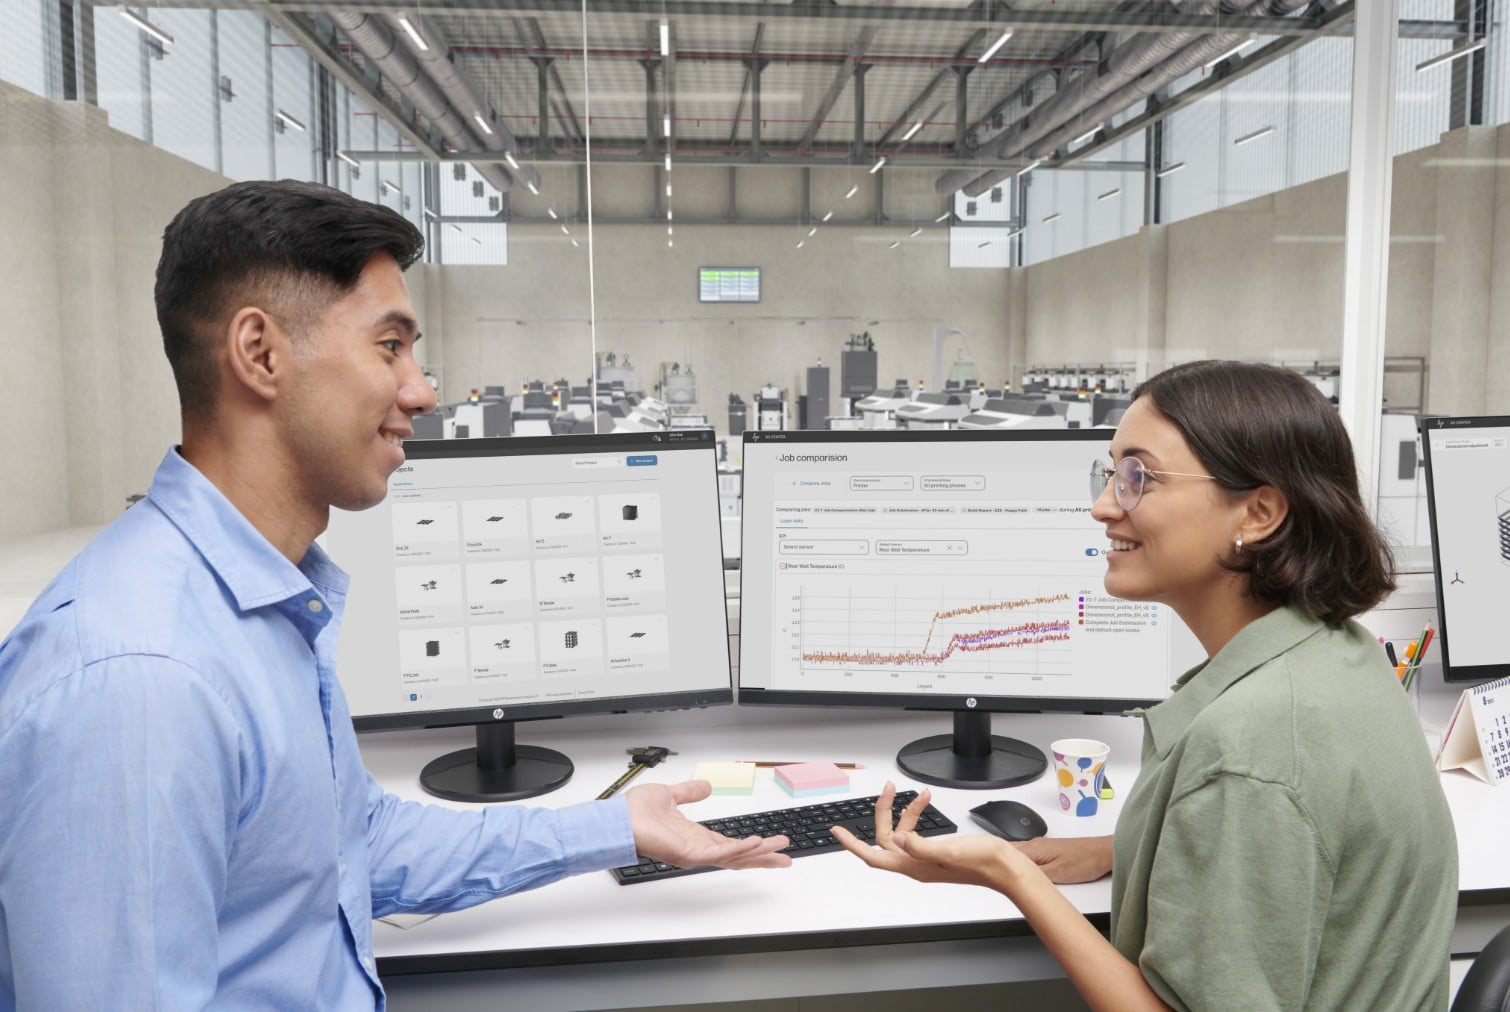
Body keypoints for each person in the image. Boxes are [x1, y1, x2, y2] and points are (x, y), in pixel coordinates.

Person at [0, 179, 790, 1009]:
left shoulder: (259, 607)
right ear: (260, 354)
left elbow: (352, 845)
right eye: (390, 347)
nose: (420, 390)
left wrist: (619, 825)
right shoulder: (142, 681)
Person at [836, 360, 1458, 1011]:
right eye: (1112, 473)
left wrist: (1010, 872)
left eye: (1139, 478)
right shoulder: (1341, 653)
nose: (1104, 505)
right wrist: (1122, 847)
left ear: (1259, 511)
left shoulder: (1247, 748)